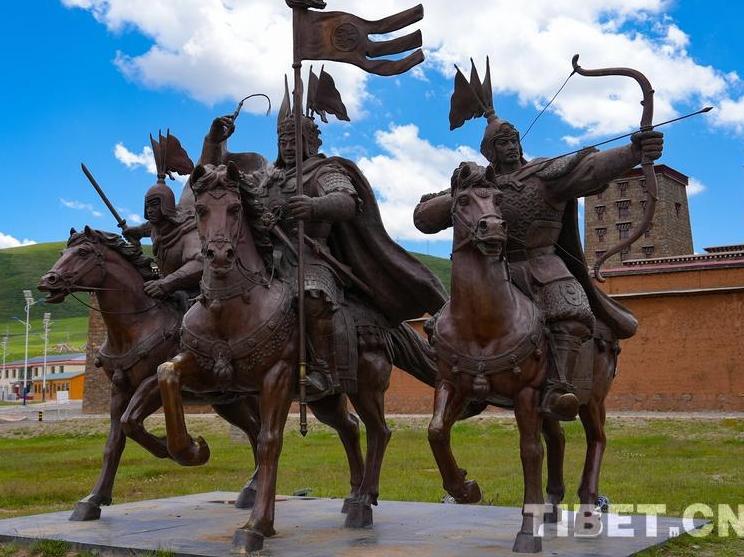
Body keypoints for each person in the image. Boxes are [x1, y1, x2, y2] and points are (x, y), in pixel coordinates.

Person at [414, 115, 663, 420]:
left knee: (571, 309)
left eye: (514, 140)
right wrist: (457, 194)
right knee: (448, 320)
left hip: (543, 265)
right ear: (490, 152)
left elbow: (590, 169)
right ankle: (459, 379)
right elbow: (424, 219)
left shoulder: (545, 174)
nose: (511, 148)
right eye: (502, 143)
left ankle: (559, 388)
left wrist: (633, 151)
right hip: (494, 270)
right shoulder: (481, 188)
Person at [202, 101, 446, 396]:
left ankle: (324, 369)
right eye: (284, 141)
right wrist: (214, 142)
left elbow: (347, 201)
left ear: (310, 142)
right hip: (266, 261)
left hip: (309, 258)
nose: (289, 146)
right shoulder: (265, 177)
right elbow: (215, 180)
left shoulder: (323, 171)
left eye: (295, 140)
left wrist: (315, 206)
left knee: (312, 296)